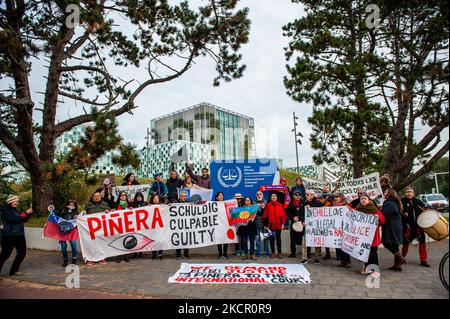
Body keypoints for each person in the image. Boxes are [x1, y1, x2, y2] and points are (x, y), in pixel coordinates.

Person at [0, 195, 32, 276]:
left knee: (22, 253)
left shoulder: (16, 210)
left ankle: (13, 271)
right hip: (9, 235)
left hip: (19, 234)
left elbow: (23, 219)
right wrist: (25, 213)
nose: (17, 203)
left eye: (17, 201)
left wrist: (29, 214)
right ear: (10, 201)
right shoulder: (5, 210)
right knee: (5, 255)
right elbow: (14, 219)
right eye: (15, 201)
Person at [356, 192, 385, 277]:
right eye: (361, 199)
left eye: (365, 198)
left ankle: (376, 270)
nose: (363, 200)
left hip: (372, 235)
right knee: (365, 252)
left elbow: (383, 220)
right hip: (362, 236)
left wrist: (377, 217)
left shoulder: (374, 209)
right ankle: (367, 268)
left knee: (373, 252)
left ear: (369, 200)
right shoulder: (357, 209)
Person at [401, 187, 430, 267]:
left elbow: (425, 211)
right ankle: (401, 258)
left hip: (418, 226)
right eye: (407, 192)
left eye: (410, 192)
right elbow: (398, 212)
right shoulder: (401, 202)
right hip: (408, 226)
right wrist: (403, 214)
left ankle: (423, 260)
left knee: (422, 243)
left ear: (413, 193)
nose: (409, 193)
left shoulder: (418, 201)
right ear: (404, 193)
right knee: (405, 243)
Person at [382, 188, 406, 271]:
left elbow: (385, 215)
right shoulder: (396, 201)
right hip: (397, 226)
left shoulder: (388, 202)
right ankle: (397, 265)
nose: (384, 193)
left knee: (386, 243)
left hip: (390, 226)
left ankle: (401, 258)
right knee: (395, 244)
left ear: (388, 193)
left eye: (385, 192)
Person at [83, 189, 110, 265]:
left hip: (101, 228)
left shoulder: (105, 204)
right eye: (95, 196)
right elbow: (83, 215)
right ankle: (90, 259)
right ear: (92, 197)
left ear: (101, 197)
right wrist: (84, 212)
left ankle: (102, 258)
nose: (97, 197)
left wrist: (108, 211)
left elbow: (111, 213)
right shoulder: (88, 205)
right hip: (90, 228)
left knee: (101, 244)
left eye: (98, 196)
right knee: (90, 244)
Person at [262, 193, 287, 259]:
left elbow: (283, 216)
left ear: (276, 197)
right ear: (270, 197)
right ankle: (273, 253)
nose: (274, 197)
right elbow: (265, 216)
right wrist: (266, 225)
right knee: (271, 239)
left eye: (275, 196)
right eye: (272, 196)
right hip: (271, 226)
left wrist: (283, 224)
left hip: (278, 225)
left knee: (278, 239)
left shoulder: (280, 205)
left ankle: (279, 253)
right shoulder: (268, 205)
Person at [286, 190, 307, 263]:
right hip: (294, 223)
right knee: (293, 238)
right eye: (296, 195)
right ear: (293, 196)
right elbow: (288, 212)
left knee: (303, 238)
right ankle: (293, 253)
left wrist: (302, 219)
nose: (298, 196)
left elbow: (305, 213)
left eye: (299, 195)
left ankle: (305, 253)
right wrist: (293, 217)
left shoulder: (303, 203)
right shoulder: (291, 203)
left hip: (302, 223)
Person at [57, 200, 79, 267]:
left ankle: (74, 259)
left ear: (75, 206)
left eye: (73, 205)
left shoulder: (76, 212)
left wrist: (77, 217)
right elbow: (57, 218)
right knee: (63, 246)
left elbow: (78, 219)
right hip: (63, 230)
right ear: (67, 205)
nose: (71, 206)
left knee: (73, 244)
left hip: (72, 230)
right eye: (70, 204)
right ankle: (65, 260)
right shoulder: (63, 211)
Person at [304, 190, 323, 264]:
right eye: (306, 194)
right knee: (305, 241)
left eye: (308, 194)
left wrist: (311, 207)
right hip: (308, 225)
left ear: (312, 195)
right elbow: (302, 213)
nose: (306, 196)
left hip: (317, 225)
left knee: (317, 242)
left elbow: (322, 211)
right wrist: (303, 221)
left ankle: (317, 258)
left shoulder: (318, 202)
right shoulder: (305, 202)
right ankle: (305, 257)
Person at [333, 193, 351, 268]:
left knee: (345, 245)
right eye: (335, 197)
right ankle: (342, 260)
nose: (336, 198)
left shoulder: (346, 206)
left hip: (344, 228)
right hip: (337, 228)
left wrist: (348, 209)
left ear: (342, 198)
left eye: (338, 197)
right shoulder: (333, 206)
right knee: (338, 245)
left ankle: (347, 261)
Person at [318, 185, 333, 260]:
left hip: (330, 219)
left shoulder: (333, 196)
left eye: (327, 187)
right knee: (322, 236)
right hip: (321, 219)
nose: (325, 188)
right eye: (324, 187)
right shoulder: (320, 196)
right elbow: (319, 203)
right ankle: (325, 253)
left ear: (329, 189)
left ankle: (333, 254)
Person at [131, 192, 148, 259]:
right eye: (137, 196)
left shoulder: (145, 203)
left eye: (140, 196)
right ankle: (135, 253)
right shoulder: (133, 204)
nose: (139, 198)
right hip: (135, 223)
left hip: (142, 224)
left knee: (141, 239)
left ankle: (140, 253)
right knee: (135, 238)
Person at [175, 191, 190, 259]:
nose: (185, 197)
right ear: (179, 197)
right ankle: (178, 254)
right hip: (178, 224)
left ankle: (186, 254)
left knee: (185, 239)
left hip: (186, 225)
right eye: (183, 196)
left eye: (185, 196)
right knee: (178, 239)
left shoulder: (188, 203)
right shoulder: (175, 203)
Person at [148, 194, 164, 260]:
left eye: (157, 198)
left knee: (160, 240)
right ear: (152, 199)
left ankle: (160, 253)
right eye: (154, 198)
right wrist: (147, 207)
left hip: (160, 226)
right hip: (152, 226)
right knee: (153, 240)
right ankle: (154, 253)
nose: (156, 200)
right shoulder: (149, 206)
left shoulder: (162, 206)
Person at [254, 190, 269, 258]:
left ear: (262, 195)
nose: (259, 195)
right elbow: (255, 213)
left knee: (265, 238)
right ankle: (259, 252)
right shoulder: (253, 203)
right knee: (258, 239)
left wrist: (263, 208)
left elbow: (267, 213)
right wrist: (261, 209)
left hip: (265, 223)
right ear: (256, 195)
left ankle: (266, 252)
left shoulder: (266, 202)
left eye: (260, 194)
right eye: (257, 194)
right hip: (257, 223)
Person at [215, 192, 229, 259]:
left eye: (222, 195)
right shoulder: (213, 205)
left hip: (225, 224)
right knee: (219, 240)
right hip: (217, 225)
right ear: (217, 197)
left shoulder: (226, 204)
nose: (221, 196)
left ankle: (225, 253)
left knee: (226, 239)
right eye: (219, 195)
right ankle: (220, 254)